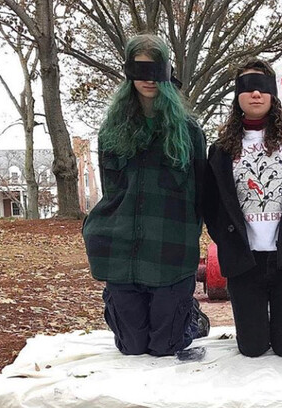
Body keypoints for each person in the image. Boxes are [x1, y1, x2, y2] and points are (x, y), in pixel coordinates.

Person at [82, 34, 206, 357]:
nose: (148, 80)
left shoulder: (189, 132)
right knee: (132, 347)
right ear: (128, 73)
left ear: (167, 72)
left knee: (164, 348)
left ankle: (188, 314)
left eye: (156, 70)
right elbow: (112, 192)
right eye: (140, 71)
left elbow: (200, 194)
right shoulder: (112, 130)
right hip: (123, 254)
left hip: (170, 252)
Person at [203, 59, 282, 358]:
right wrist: (227, 240)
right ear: (237, 96)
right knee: (251, 348)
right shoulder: (220, 150)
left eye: (262, 87)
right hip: (245, 259)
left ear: (273, 93)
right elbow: (210, 202)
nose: (256, 94)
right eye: (247, 87)